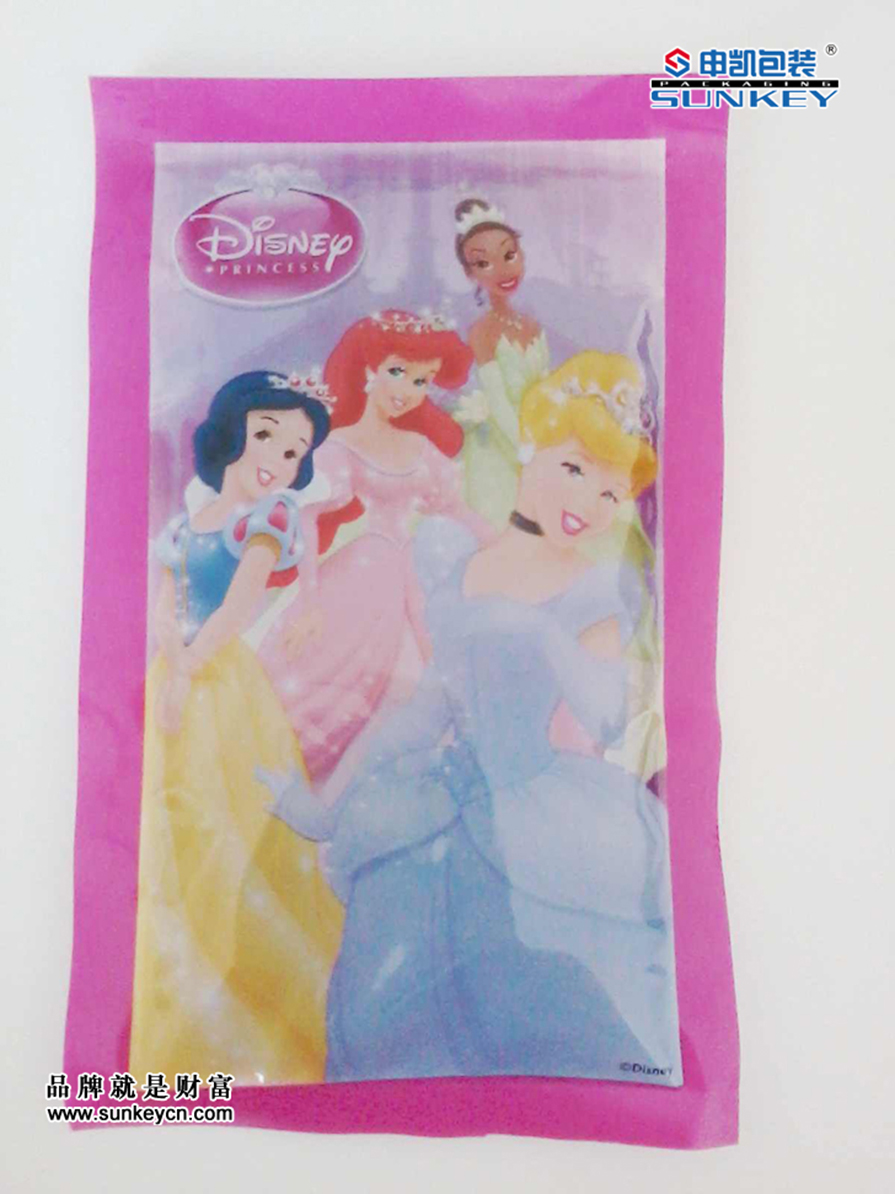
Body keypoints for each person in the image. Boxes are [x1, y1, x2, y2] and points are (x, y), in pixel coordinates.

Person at [259, 352, 682, 1085]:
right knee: (384, 999)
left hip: (541, 813)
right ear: (531, 446)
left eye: (611, 492)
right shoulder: (462, 569)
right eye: (574, 469)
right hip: (437, 802)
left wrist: (542, 635)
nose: (588, 502)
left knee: (538, 989)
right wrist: (322, 808)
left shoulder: (594, 588)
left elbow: (609, 713)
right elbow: (425, 710)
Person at [130, 370, 344, 1086]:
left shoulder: (267, 522)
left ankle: (265, 988)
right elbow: (165, 602)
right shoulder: (184, 525)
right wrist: (171, 659)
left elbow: (239, 608)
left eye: (293, 452)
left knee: (227, 820)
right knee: (171, 818)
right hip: (177, 674)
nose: (277, 460)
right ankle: (172, 978)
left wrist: (189, 667)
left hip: (222, 685)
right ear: (232, 429)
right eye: (266, 436)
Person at [258, 310, 490, 782]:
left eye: (422, 381)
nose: (408, 390)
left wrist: (511, 544)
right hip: (365, 575)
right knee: (338, 671)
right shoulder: (341, 445)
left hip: (414, 576)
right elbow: (307, 518)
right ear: (371, 368)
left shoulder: (420, 448)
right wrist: (308, 602)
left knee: (428, 675)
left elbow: (457, 509)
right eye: (398, 371)